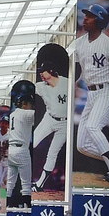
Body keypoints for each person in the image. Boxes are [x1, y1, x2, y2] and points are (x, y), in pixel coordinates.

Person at [74, 0, 109, 184]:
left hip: (107, 90)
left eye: (90, 16)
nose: (85, 18)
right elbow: (76, 69)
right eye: (85, 15)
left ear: (99, 21)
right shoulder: (80, 43)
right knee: (82, 145)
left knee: (93, 127)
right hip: (91, 93)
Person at [32, 61, 70, 192]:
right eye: (40, 71)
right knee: (32, 144)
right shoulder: (41, 86)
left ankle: (39, 185)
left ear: (51, 71)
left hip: (65, 123)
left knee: (52, 153)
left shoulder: (67, 83)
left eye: (44, 71)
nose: (41, 74)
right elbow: (25, 89)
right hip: (49, 119)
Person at [6, 83, 35, 209]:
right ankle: (27, 206)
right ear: (24, 103)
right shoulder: (25, 114)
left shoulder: (12, 115)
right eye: (29, 104)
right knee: (26, 182)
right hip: (21, 150)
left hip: (10, 150)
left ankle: (6, 205)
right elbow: (42, 114)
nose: (31, 106)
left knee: (10, 181)